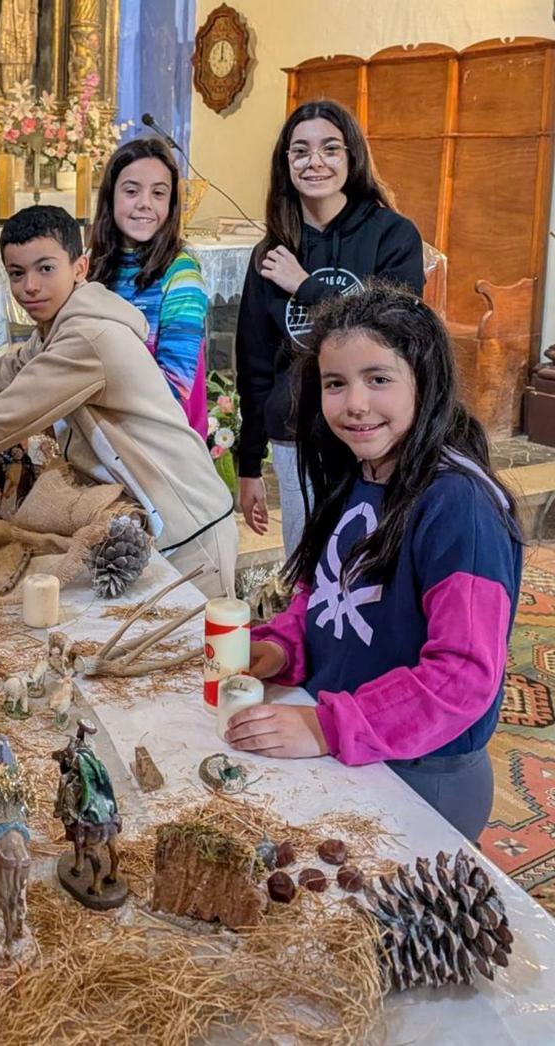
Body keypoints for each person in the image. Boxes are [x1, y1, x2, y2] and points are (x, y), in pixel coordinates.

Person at [224, 285, 523, 841]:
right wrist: (279, 647)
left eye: (378, 379)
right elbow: (325, 597)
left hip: (420, 772)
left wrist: (326, 726)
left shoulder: (459, 505)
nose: (354, 403)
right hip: (352, 742)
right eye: (335, 384)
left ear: (425, 381)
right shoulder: (356, 474)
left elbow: (462, 677)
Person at [0, 205, 236, 598]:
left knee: (204, 653)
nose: (30, 287)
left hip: (191, 528)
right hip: (155, 518)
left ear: (80, 268)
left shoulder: (87, 337)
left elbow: (2, 418)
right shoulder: (52, 333)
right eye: (17, 273)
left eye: (45, 268)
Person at [236, 99, 424, 556]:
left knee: (373, 560)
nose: (314, 161)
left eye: (330, 149)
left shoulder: (392, 235)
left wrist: (305, 287)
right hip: (296, 430)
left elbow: (392, 331)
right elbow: (256, 361)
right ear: (286, 164)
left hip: (373, 426)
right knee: (305, 565)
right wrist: (248, 464)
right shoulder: (272, 252)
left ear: (352, 156)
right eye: (300, 151)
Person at [88, 137, 209, 439]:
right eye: (131, 191)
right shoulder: (93, 266)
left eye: (158, 193)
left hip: (159, 438)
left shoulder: (180, 274)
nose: (145, 203)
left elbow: (174, 385)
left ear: (171, 204)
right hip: (100, 432)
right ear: (110, 197)